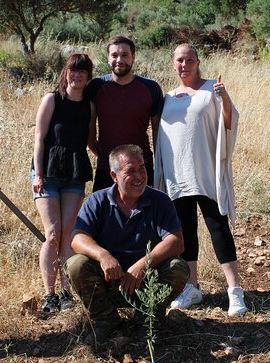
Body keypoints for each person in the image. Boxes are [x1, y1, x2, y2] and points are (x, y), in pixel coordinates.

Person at [154, 44, 247, 316]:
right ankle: (192, 287)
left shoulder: (212, 89)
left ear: (198, 62)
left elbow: (229, 122)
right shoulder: (168, 97)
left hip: (205, 171)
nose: (185, 65)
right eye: (180, 60)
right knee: (185, 232)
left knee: (217, 226)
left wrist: (226, 98)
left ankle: (235, 290)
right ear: (173, 64)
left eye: (189, 60)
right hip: (176, 174)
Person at [64, 145, 190, 345]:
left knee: (178, 267)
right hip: (108, 282)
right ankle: (106, 320)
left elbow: (176, 242)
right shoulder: (98, 200)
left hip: (146, 283)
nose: (139, 176)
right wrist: (103, 255)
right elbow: (77, 238)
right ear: (114, 175)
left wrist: (143, 264)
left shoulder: (160, 201)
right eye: (130, 171)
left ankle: (147, 319)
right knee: (76, 264)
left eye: (142, 169)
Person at [32, 53, 95, 314]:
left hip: (75, 171)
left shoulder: (89, 106)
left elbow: (91, 139)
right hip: (48, 171)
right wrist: (37, 173)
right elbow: (39, 137)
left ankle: (66, 291)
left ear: (88, 76)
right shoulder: (52, 99)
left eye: (83, 72)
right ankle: (50, 295)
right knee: (53, 233)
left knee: (69, 234)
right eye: (73, 70)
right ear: (65, 72)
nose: (77, 75)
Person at [86, 36, 163, 192]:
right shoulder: (96, 87)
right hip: (107, 168)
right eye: (114, 55)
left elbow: (157, 132)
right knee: (106, 216)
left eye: (125, 55)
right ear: (108, 58)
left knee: (143, 215)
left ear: (133, 57)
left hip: (141, 167)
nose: (119, 59)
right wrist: (103, 155)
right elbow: (89, 131)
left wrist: (160, 165)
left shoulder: (151, 88)